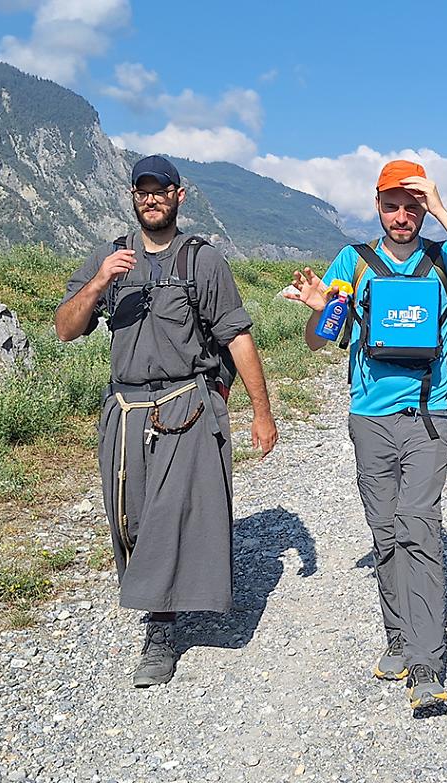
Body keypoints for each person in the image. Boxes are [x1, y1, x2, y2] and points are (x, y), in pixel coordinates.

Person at [55, 154, 278, 687]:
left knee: (173, 512)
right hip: (126, 412)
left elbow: (237, 336)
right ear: (133, 196)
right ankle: (165, 602)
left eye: (161, 190)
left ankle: (160, 630)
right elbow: (64, 329)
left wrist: (261, 412)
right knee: (131, 518)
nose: (151, 198)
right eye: (142, 190)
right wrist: (97, 284)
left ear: (181, 196)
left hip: (186, 404)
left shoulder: (203, 261)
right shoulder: (109, 257)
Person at [285, 160, 447, 711]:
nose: (402, 216)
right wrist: (320, 308)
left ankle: (427, 664)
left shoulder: (440, 257)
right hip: (369, 418)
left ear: (423, 205)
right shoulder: (351, 262)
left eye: (412, 205)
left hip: (427, 417)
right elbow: (318, 341)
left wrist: (444, 211)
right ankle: (399, 637)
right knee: (385, 533)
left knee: (420, 529)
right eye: (392, 205)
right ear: (376, 206)